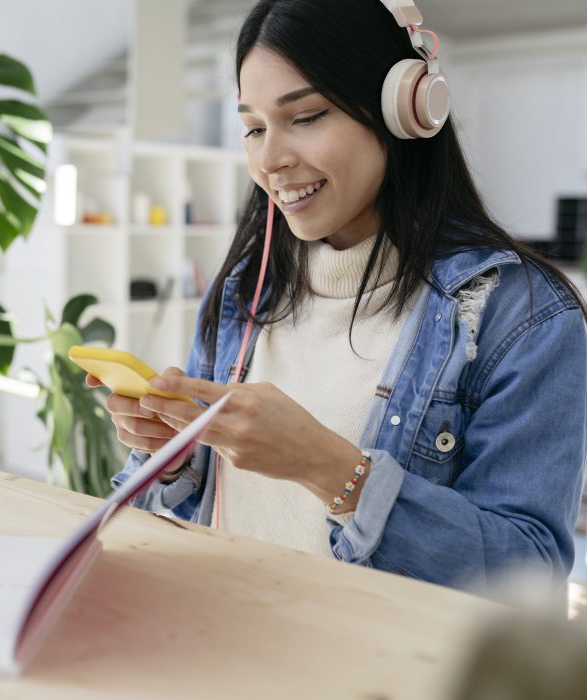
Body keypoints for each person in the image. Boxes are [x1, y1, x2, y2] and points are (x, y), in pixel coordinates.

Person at [89, 0, 587, 596]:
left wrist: (328, 468)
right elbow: (217, 503)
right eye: (253, 127)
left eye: (305, 116)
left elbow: (526, 576)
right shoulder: (247, 288)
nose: (270, 159)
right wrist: (177, 457)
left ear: (405, 112)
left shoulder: (523, 315)